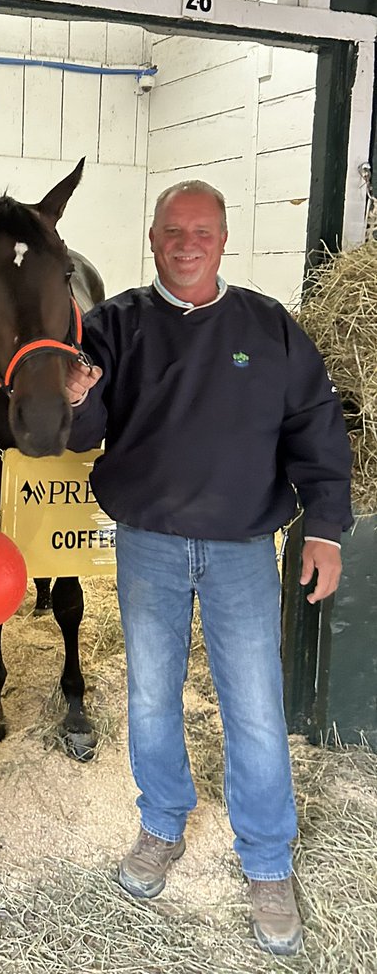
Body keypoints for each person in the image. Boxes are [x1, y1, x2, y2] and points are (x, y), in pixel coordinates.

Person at [63, 180, 352, 957]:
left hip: (241, 549)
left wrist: (325, 526)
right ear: (151, 238)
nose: (186, 244)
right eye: (172, 231)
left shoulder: (270, 328)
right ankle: (162, 822)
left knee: (254, 706)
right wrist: (78, 394)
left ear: (224, 240)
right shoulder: (113, 325)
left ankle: (266, 862)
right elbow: (81, 428)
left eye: (203, 231)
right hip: (148, 544)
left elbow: (317, 428)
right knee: (152, 695)